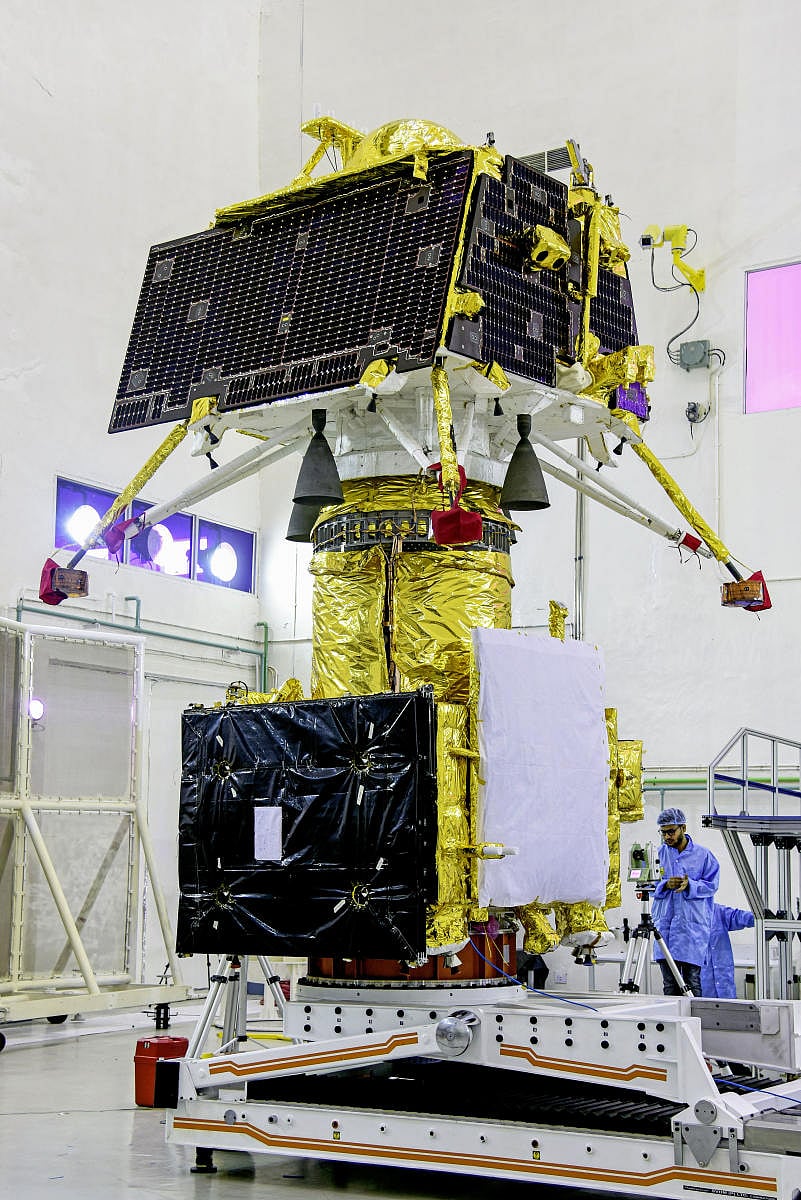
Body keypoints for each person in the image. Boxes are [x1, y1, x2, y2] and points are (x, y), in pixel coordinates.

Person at [651, 807, 719, 996]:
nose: (667, 837)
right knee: (670, 985)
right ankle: (673, 1024)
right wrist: (665, 885)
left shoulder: (704, 855)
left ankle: (694, 1024)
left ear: (683, 828)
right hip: (664, 930)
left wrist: (691, 885)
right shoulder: (658, 855)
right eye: (663, 832)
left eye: (671, 831)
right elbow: (648, 888)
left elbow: (712, 885)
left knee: (692, 983)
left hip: (692, 931)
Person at [701, 903, 755, 998]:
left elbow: (740, 917)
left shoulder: (718, 912)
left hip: (726, 991)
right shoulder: (684, 916)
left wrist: (762, 917)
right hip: (701, 995)